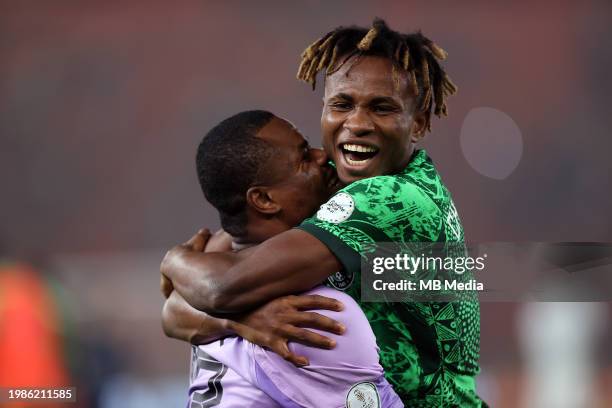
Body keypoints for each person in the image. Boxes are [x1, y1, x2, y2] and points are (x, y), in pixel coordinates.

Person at [163, 19, 485, 406]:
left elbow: (219, 287)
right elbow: (174, 310)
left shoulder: (396, 200)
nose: (358, 124)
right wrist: (241, 321)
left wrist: (176, 260)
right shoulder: (324, 180)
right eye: (342, 104)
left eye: (382, 108)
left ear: (417, 123)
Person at [163, 110, 403, 407]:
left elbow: (198, 297)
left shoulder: (220, 274)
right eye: (304, 156)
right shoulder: (308, 319)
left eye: (382, 108)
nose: (322, 155)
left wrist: (176, 261)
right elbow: (214, 289)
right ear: (264, 200)